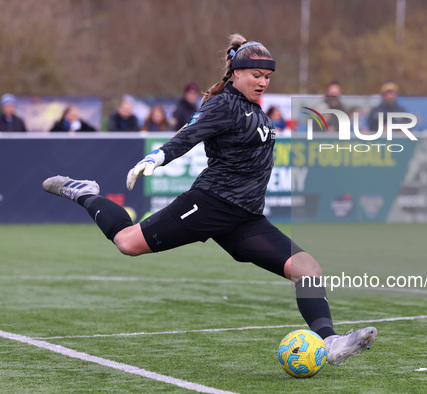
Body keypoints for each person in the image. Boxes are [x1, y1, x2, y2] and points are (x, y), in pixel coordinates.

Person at [41, 33, 376, 366]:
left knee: (308, 270)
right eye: (257, 76)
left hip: (245, 217)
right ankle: (85, 193)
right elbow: (189, 135)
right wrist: (156, 157)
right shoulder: (223, 104)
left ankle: (330, 342)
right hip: (210, 204)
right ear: (237, 73)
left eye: (267, 77)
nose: (263, 82)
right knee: (127, 243)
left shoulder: (253, 108)